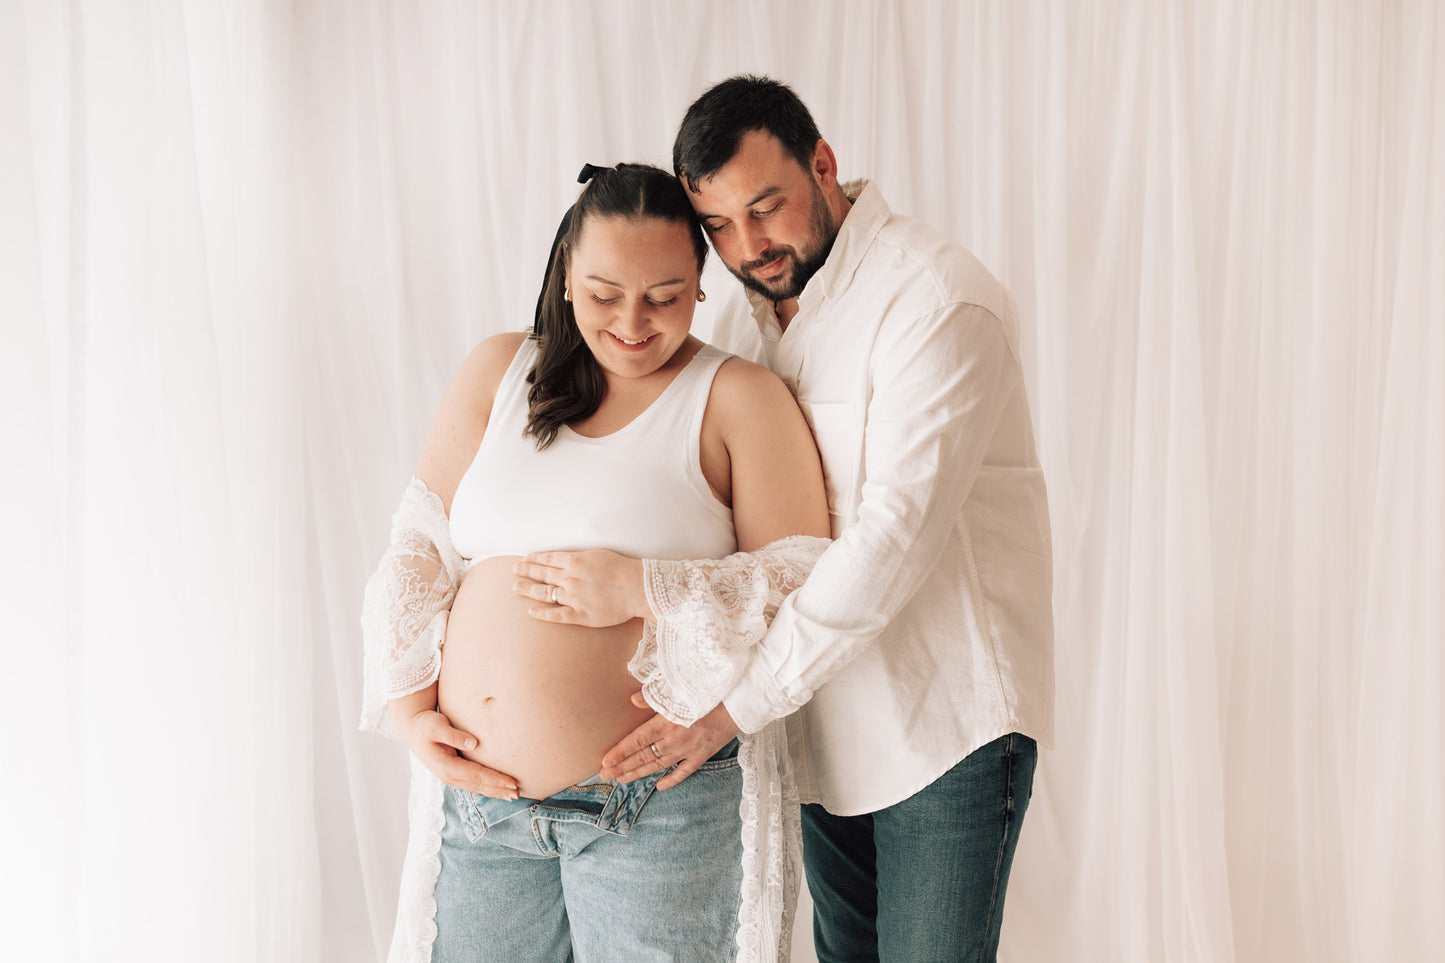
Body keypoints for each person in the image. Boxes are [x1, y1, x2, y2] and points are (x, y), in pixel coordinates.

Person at [514, 77, 1054, 962]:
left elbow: (888, 544)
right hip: (817, 726)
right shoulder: (745, 314)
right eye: (719, 226)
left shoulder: (935, 299)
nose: (748, 244)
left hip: (942, 725)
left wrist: (726, 706)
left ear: (823, 165)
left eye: (766, 207)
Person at [359, 162, 832, 962]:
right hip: (478, 808)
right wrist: (409, 712)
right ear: (566, 276)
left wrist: (644, 587)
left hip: (662, 804)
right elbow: (418, 544)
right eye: (605, 293)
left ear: (701, 283)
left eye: (665, 294)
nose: (633, 324)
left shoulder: (738, 397)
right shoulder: (499, 370)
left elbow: (805, 582)